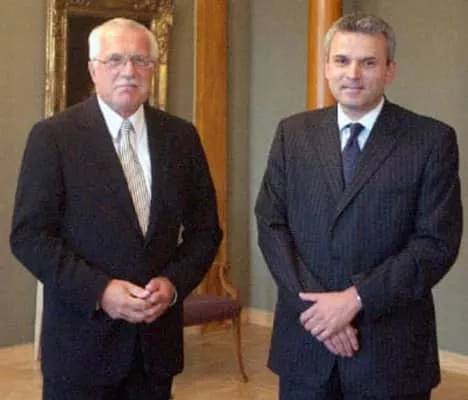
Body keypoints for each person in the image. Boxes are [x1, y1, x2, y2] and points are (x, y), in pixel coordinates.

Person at [10, 17, 222, 400]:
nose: (129, 71)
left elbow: (205, 231)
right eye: (115, 60)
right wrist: (100, 291)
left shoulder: (181, 137)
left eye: (140, 60)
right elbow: (29, 236)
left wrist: (174, 284)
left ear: (153, 69)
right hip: (81, 348)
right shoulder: (53, 137)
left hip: (154, 350)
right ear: (93, 70)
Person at [255, 12, 462, 400]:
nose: (353, 74)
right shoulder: (292, 134)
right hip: (306, 343)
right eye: (342, 60)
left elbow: (436, 243)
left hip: (390, 352)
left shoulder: (431, 140)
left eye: (368, 62)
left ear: (389, 70)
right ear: (326, 67)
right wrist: (320, 314)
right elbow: (271, 224)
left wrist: (354, 300)